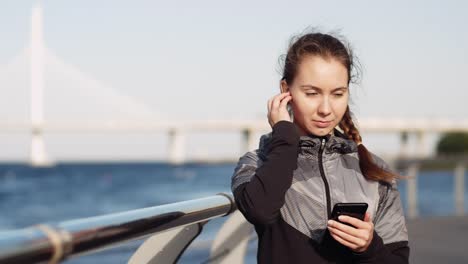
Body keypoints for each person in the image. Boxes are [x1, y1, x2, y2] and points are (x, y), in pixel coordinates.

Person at [230, 31, 409, 263]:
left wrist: (368, 246)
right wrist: (284, 133)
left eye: (337, 94)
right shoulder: (256, 163)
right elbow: (260, 211)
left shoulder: (373, 170)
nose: (326, 108)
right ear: (286, 91)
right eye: (312, 93)